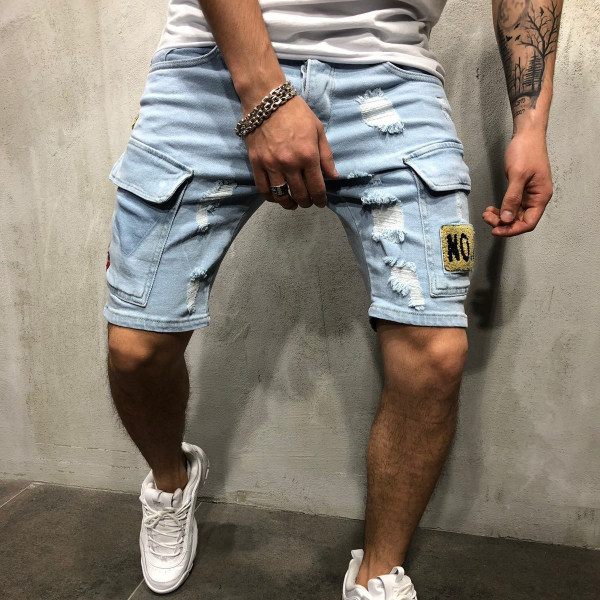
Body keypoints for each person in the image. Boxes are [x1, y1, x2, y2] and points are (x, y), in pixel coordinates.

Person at [104, 0, 561, 596]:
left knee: (435, 354)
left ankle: (378, 574)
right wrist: (266, 95)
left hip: (391, 79)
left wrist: (531, 127)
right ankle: (170, 481)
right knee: (136, 345)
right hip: (208, 69)